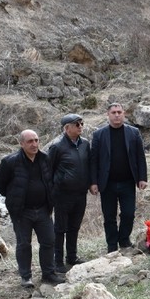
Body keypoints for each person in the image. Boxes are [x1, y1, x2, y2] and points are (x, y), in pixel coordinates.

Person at [0, 130, 65, 287]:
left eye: (36, 140)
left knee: (48, 241)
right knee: (24, 244)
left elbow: (49, 180)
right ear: (21, 143)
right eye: (30, 141)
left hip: (43, 209)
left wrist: (50, 199)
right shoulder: (10, 162)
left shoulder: (45, 158)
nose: (34, 144)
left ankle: (48, 274)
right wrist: (15, 197)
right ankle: (26, 277)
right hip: (21, 212)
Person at [90, 103, 148, 252]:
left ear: (124, 114)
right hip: (107, 183)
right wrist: (93, 182)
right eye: (113, 112)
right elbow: (94, 160)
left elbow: (140, 157)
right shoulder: (99, 134)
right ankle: (111, 245)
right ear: (108, 115)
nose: (117, 115)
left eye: (119, 112)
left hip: (128, 182)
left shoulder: (133, 132)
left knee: (128, 214)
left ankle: (124, 240)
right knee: (109, 217)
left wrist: (142, 177)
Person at [48, 114, 91, 272]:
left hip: (80, 194)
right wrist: (52, 194)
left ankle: (72, 257)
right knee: (60, 229)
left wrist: (91, 184)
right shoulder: (56, 146)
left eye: (81, 123)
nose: (80, 126)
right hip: (62, 195)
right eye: (77, 124)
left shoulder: (85, 144)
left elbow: (89, 165)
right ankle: (57, 261)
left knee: (74, 226)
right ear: (67, 128)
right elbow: (48, 171)